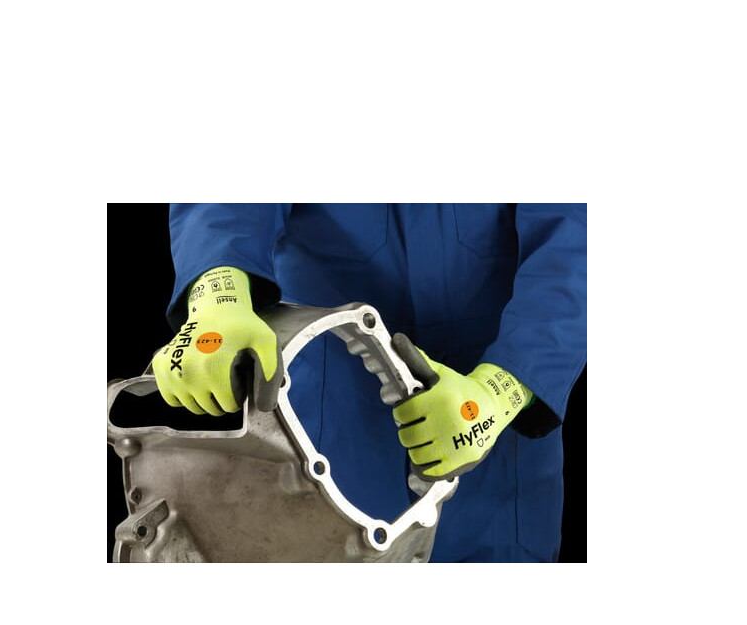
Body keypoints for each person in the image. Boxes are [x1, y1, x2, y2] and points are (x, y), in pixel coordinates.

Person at [152, 204, 586, 562]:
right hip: (326, 434)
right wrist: (218, 293)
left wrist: (501, 390)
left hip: (495, 451)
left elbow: (577, 242)